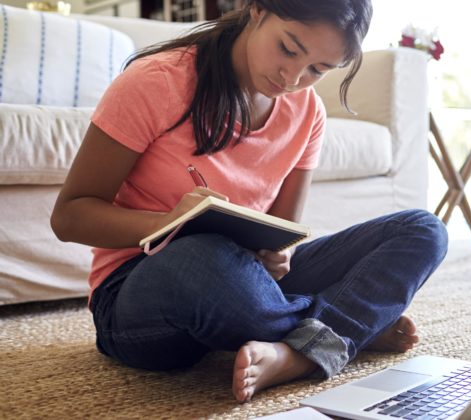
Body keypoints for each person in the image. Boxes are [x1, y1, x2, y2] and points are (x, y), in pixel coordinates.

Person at [50, 0, 448, 403]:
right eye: (288, 49)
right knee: (201, 257)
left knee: (423, 230)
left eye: (318, 70)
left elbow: (280, 240)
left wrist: (279, 258)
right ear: (256, 10)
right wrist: (169, 221)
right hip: (140, 293)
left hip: (247, 284)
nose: (292, 77)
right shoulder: (157, 82)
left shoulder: (306, 112)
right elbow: (69, 216)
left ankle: (299, 348)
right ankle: (343, 328)